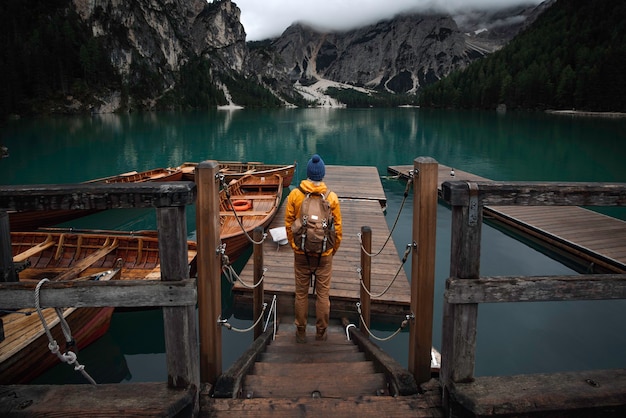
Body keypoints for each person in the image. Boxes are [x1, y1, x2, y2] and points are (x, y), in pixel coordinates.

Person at [284, 154, 342, 343]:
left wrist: (294, 245)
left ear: (308, 173)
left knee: (301, 294)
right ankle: (321, 333)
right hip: (324, 255)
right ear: (322, 175)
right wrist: (332, 251)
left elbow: (288, 224)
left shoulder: (295, 195)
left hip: (301, 253)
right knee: (323, 296)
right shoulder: (331, 197)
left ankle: (301, 332)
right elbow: (338, 230)